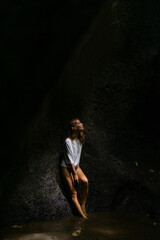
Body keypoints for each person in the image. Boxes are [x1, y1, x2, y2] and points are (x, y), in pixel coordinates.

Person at [61, 118, 88, 219]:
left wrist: (76, 171)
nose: (82, 124)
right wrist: (74, 174)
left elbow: (76, 160)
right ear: (74, 128)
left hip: (76, 167)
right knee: (74, 192)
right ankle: (83, 217)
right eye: (79, 123)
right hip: (67, 167)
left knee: (85, 181)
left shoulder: (80, 139)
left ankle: (83, 206)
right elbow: (70, 159)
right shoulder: (68, 141)